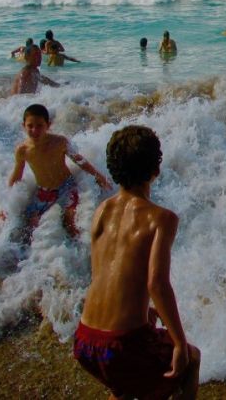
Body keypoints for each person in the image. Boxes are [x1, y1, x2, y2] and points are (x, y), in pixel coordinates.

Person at [74, 125, 200, 400]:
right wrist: (178, 342)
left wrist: (142, 315)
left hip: (85, 341)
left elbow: (103, 274)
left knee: (123, 385)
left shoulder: (101, 211)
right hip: (122, 345)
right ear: (155, 169)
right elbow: (156, 283)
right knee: (190, 360)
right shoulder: (161, 218)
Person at [6, 104, 112, 244]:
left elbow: (79, 160)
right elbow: (17, 175)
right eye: (30, 126)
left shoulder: (59, 142)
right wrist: (7, 204)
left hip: (66, 186)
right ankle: (29, 260)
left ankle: (83, 252)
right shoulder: (22, 150)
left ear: (48, 125)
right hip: (44, 192)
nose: (35, 130)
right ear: (23, 125)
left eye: (40, 125)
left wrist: (98, 176)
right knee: (29, 226)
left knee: (69, 221)